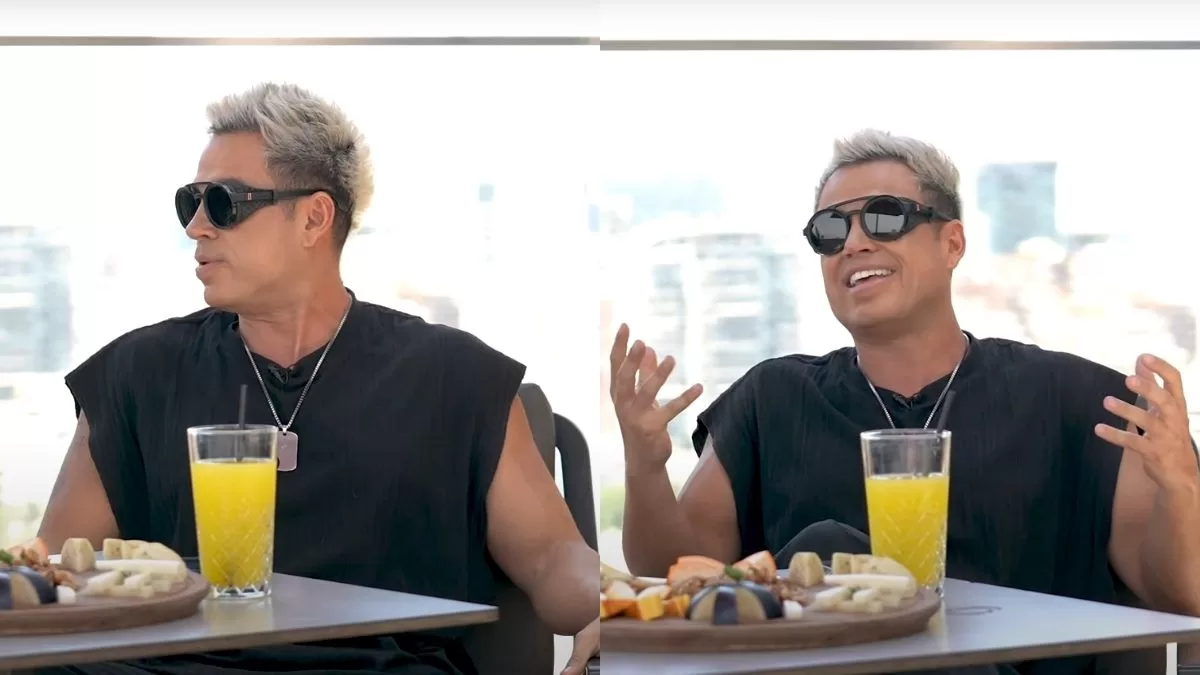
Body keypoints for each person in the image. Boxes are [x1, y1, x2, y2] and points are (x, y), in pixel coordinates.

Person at [33, 83, 598, 675]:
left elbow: (552, 556)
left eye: (223, 203)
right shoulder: (135, 374)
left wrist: (600, 611)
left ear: (313, 217)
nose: (197, 227)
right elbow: (56, 573)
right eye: (189, 203)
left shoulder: (455, 377)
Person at [612, 129, 1200, 675]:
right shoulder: (771, 399)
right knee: (827, 550)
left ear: (952, 243)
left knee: (827, 548)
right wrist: (644, 466)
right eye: (830, 231)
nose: (854, 243)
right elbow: (676, 573)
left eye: (885, 216)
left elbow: (1182, 593)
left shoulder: (1084, 402)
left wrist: (1181, 490)